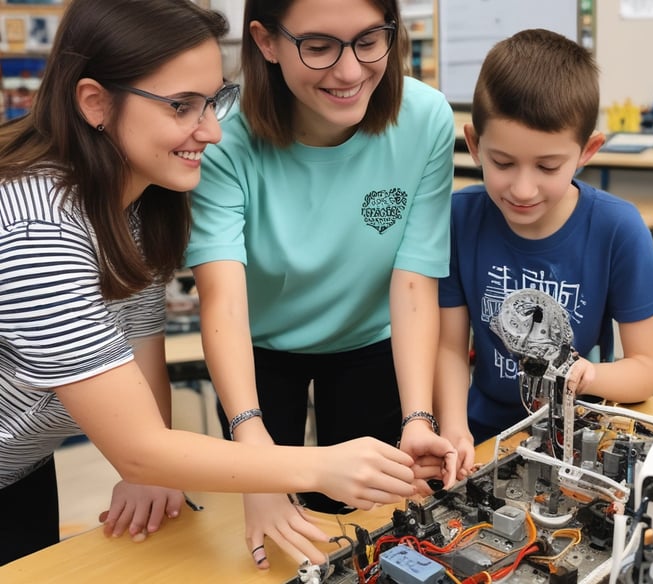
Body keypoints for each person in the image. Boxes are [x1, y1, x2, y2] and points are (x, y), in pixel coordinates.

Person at [0, 0, 418, 568]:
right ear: (95, 102)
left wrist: (149, 470)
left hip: (23, 462)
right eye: (181, 106)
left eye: (214, 100)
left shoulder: (138, 200)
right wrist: (319, 466)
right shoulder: (36, 231)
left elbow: (142, 341)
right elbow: (142, 448)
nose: (213, 131)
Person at [185, 0, 458, 569]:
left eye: (368, 40)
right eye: (318, 46)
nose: (351, 71)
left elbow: (413, 285)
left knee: (363, 524)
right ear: (265, 42)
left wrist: (417, 418)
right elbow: (224, 301)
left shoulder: (426, 119)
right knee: (271, 532)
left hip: (370, 342)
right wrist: (253, 456)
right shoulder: (220, 136)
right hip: (257, 349)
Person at [435, 29, 653, 478]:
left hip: (575, 435)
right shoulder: (459, 218)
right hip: (482, 433)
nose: (522, 189)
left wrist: (590, 377)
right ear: (473, 144)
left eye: (548, 167)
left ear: (588, 151)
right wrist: (453, 428)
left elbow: (646, 370)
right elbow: (449, 347)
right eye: (502, 163)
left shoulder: (616, 228)